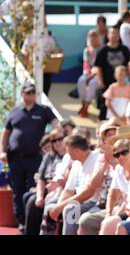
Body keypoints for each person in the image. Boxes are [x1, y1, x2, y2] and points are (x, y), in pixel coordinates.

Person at [1, 82, 59, 233]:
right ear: (22, 94)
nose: (31, 95)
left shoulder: (43, 110)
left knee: (32, 190)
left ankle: (31, 223)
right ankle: (21, 222)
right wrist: (2, 151)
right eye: (28, 93)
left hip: (35, 158)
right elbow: (6, 133)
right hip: (15, 158)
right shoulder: (14, 112)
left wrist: (54, 135)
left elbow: (56, 124)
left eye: (33, 93)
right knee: (17, 190)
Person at [43, 135, 100, 235]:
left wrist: (60, 207)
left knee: (70, 210)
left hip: (92, 201)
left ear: (77, 151)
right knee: (50, 208)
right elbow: (69, 190)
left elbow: (87, 194)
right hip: (77, 199)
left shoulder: (96, 160)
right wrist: (58, 206)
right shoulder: (76, 163)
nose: (67, 154)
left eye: (68, 151)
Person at [23, 128, 66, 235]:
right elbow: (41, 179)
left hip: (61, 192)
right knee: (33, 201)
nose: (57, 142)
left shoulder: (70, 156)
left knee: (33, 200)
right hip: (47, 189)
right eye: (53, 140)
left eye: (60, 139)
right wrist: (39, 197)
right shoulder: (48, 156)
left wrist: (55, 192)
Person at [94, 25, 130, 120]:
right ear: (107, 35)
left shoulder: (125, 50)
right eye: (112, 33)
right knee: (105, 106)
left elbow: (129, 66)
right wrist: (100, 82)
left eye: (116, 33)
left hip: (122, 84)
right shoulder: (103, 51)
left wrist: (129, 80)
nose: (114, 35)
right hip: (107, 83)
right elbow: (98, 68)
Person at [77, 29, 101, 117]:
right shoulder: (87, 50)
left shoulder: (102, 49)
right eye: (92, 36)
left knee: (93, 83)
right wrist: (88, 74)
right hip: (88, 73)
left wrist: (94, 74)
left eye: (95, 36)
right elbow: (86, 63)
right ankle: (83, 104)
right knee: (81, 81)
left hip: (98, 74)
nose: (93, 39)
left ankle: (86, 107)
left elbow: (100, 65)